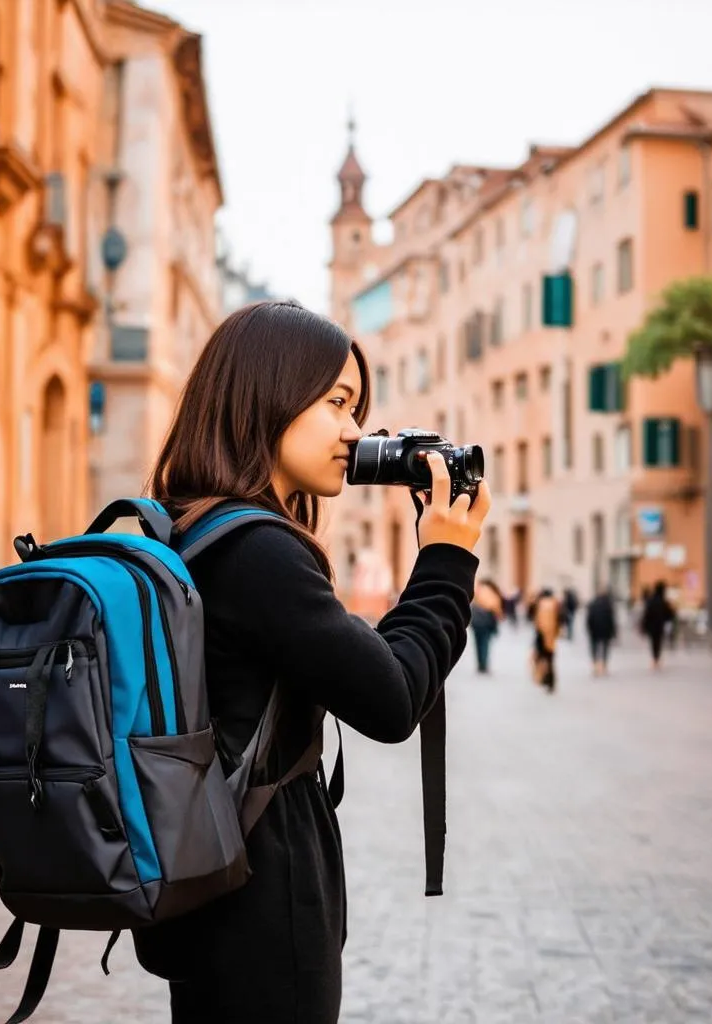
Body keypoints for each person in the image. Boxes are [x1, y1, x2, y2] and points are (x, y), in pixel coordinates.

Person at [134, 300, 492, 1024]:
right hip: (261, 898)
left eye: (358, 409)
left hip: (202, 879)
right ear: (268, 394)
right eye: (337, 403)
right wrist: (447, 560)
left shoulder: (182, 524)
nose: (356, 432)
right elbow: (392, 700)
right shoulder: (257, 550)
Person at [530, 587, 562, 692]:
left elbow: (532, 615)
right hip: (551, 635)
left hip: (541, 634)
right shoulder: (555, 603)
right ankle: (550, 680)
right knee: (550, 659)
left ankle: (543, 678)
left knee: (541, 657)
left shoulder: (540, 603)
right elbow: (561, 618)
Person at [471, 578, 503, 673]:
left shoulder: (478, 590)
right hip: (486, 621)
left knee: (477, 644)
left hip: (476, 621)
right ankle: (483, 665)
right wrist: (499, 615)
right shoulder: (491, 593)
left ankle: (480, 664)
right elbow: (495, 606)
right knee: (485, 644)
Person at [641, 580, 675, 669]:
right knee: (658, 642)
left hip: (652, 626)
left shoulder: (651, 600)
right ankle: (657, 658)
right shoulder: (663, 601)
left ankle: (655, 658)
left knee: (653, 642)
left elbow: (647, 613)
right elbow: (669, 614)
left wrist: (644, 625)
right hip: (659, 626)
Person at [585, 586, 617, 676]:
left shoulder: (592, 603)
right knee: (605, 648)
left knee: (594, 647)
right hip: (605, 630)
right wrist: (613, 631)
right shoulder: (608, 604)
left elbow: (589, 618)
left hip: (594, 630)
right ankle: (603, 665)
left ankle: (595, 664)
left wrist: (589, 628)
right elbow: (611, 619)